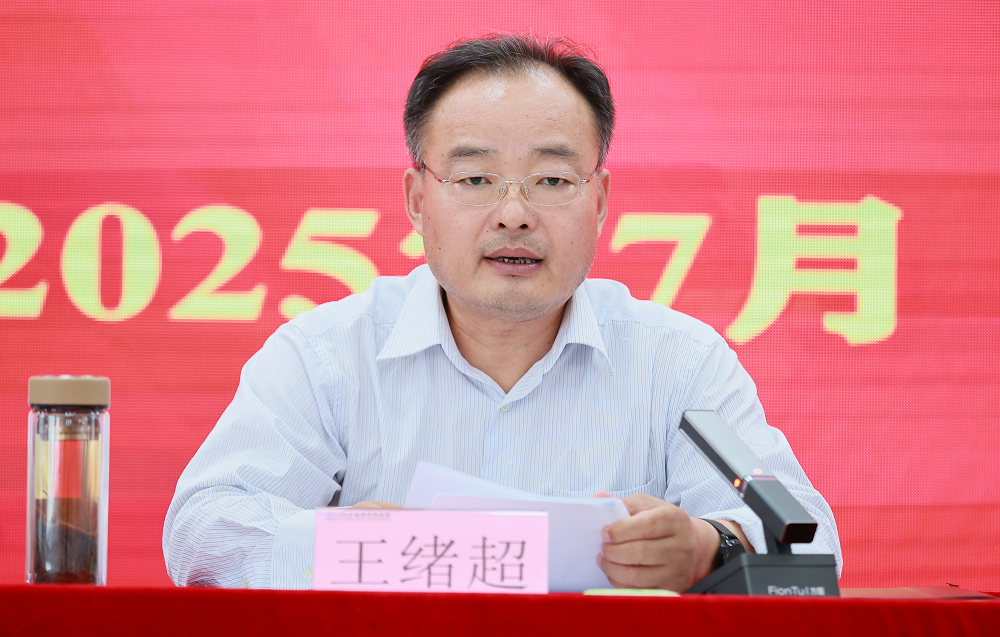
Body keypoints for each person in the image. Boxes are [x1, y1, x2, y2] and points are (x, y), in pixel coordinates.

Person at [163, 34, 841, 591]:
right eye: (475, 179)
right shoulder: (327, 355)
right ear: (417, 200)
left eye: (552, 180)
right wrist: (350, 547)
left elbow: (809, 540)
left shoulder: (678, 360)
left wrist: (709, 547)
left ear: (600, 200)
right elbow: (201, 533)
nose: (514, 213)